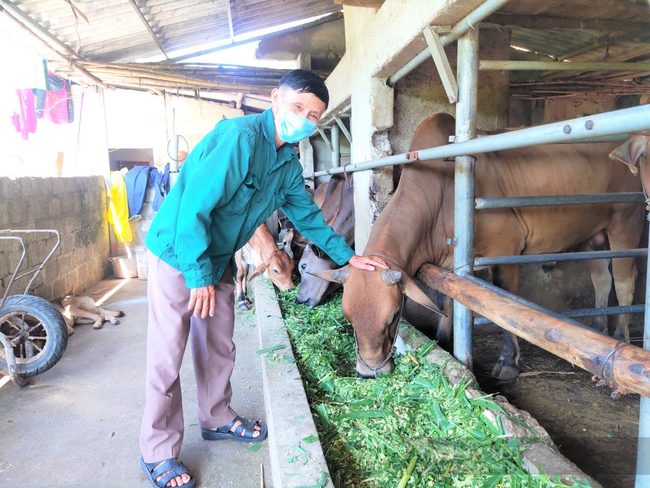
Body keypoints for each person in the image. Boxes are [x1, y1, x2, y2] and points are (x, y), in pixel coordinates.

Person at [139, 69, 388, 488]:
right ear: (275, 99)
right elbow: (194, 207)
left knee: (218, 343)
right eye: (298, 107)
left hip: (218, 257)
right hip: (179, 252)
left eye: (314, 116)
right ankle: (158, 449)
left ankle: (216, 417)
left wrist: (351, 256)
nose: (305, 119)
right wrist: (198, 275)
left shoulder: (288, 163)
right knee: (167, 354)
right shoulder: (238, 138)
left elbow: (309, 216)